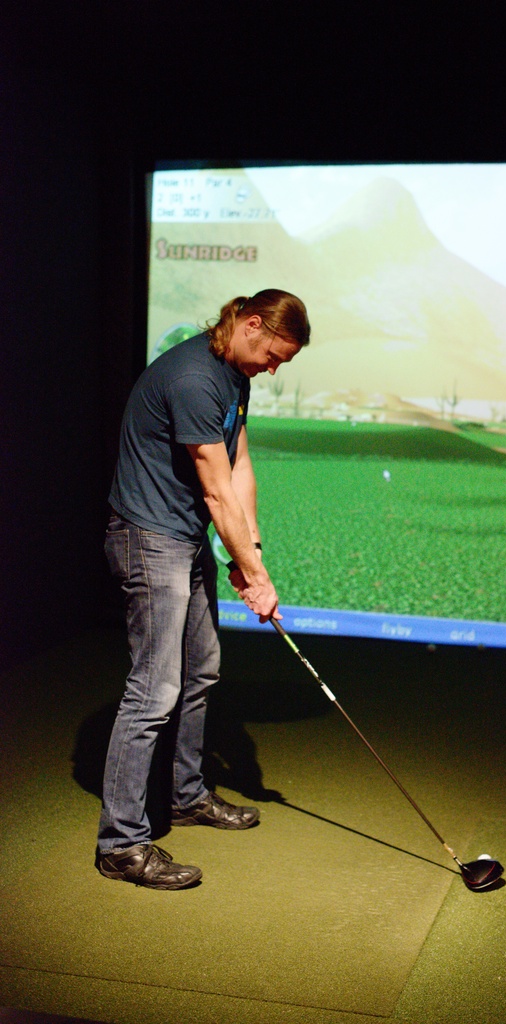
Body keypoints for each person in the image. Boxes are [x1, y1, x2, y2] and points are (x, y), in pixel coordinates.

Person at [97, 289, 310, 889]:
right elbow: (215, 490)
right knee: (154, 689)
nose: (272, 369)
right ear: (250, 325)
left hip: (183, 537)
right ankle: (121, 843)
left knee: (202, 669)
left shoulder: (233, 374)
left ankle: (185, 795)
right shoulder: (193, 378)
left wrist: (252, 555)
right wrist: (255, 578)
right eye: (273, 356)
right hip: (148, 538)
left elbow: (239, 466)